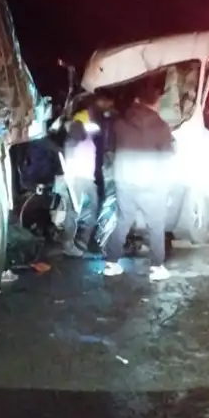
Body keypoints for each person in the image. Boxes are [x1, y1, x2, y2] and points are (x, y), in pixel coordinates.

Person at [104, 78, 175, 281]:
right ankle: (157, 267)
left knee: (123, 220)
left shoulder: (120, 123)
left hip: (125, 180)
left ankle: (111, 263)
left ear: (136, 99)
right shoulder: (161, 126)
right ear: (155, 102)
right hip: (151, 183)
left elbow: (111, 149)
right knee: (156, 224)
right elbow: (167, 158)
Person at [59, 108, 100, 257]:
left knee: (89, 211)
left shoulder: (86, 132)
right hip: (78, 177)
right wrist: (69, 172)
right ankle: (68, 245)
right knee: (74, 212)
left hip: (87, 177)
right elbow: (69, 147)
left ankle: (81, 242)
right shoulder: (78, 126)